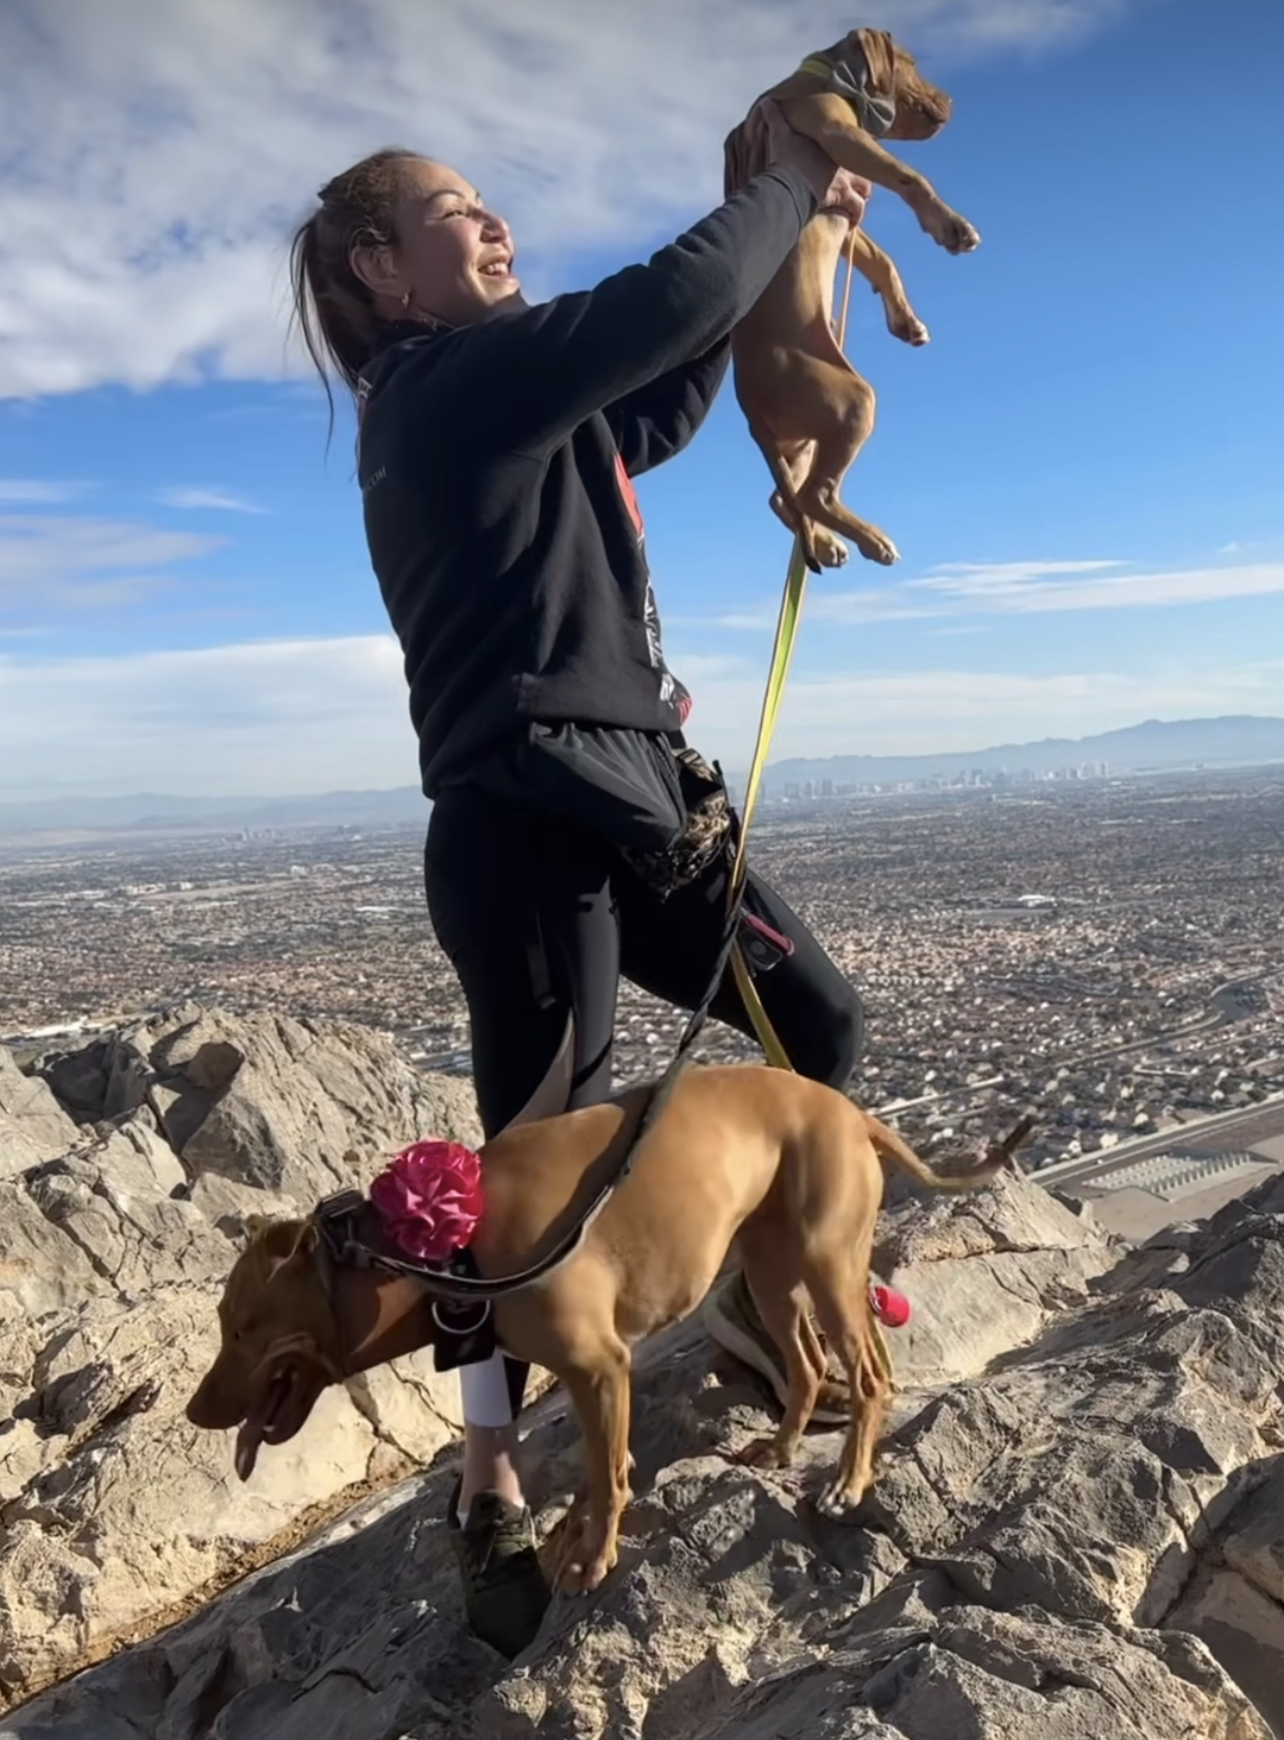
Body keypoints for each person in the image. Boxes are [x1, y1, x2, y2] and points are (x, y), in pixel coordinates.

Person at [288, 107, 869, 1658]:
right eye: (457, 214)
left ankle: (754, 1303)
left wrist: (762, 216)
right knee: (523, 1206)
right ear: (382, 273)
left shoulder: (520, 406)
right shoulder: (440, 392)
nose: (496, 229)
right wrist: (786, 187)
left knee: (822, 1025)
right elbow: (662, 312)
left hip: (636, 809)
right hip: (526, 833)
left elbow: (665, 385)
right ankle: (487, 1483)